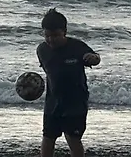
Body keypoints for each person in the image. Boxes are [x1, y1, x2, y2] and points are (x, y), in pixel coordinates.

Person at [36, 8, 101, 157]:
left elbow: (95, 58)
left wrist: (94, 58)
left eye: (55, 35)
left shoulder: (77, 47)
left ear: (64, 32)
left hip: (75, 102)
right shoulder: (42, 50)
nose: (51, 39)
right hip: (53, 101)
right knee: (48, 136)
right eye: (47, 35)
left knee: (73, 138)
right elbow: (50, 73)